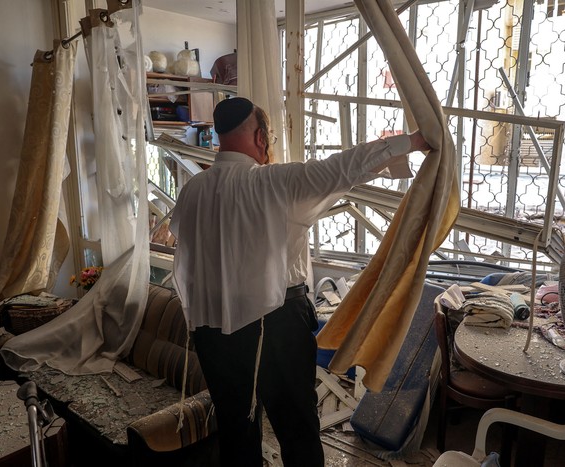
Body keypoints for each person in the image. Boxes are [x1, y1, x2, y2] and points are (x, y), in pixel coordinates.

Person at [169, 97, 431, 467]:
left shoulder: (192, 190)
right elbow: (343, 167)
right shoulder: (274, 182)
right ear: (261, 137)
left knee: (235, 427)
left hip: (212, 327)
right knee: (297, 429)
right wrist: (412, 142)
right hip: (274, 324)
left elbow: (187, 247)